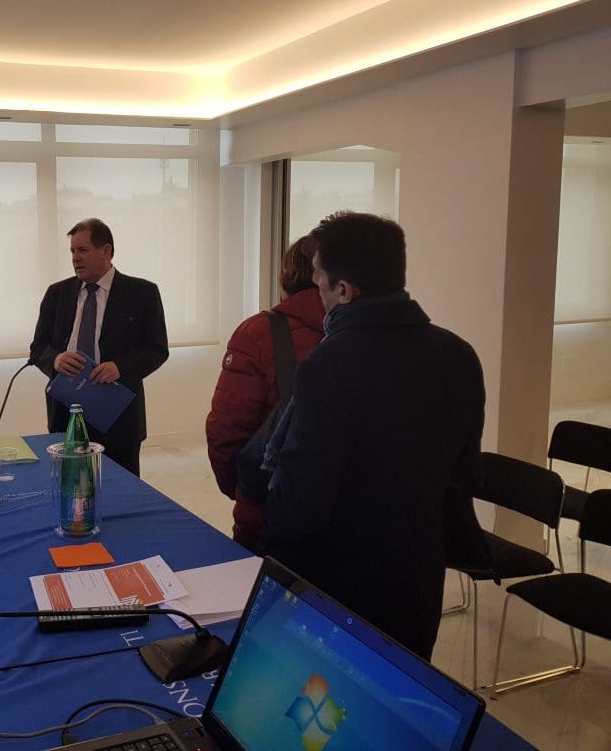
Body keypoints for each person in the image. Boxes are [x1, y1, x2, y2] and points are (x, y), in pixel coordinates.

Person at [258, 211, 488, 660]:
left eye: (319, 277)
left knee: (326, 692)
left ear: (344, 290)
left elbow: (303, 496)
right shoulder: (459, 354)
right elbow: (465, 475)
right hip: (418, 576)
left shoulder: (330, 364)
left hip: (339, 583)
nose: (315, 287)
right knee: (401, 688)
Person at [206, 235, 325, 551]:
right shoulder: (368, 335)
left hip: (273, 508)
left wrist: (242, 490)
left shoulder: (258, 332)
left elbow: (226, 430)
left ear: (286, 277)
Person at [30, 218, 168, 476]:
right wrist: (56, 360)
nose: (75, 258)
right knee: (69, 483)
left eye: (82, 250)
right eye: (72, 251)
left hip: (118, 416)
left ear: (106, 251)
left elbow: (157, 349)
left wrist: (120, 367)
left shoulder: (142, 293)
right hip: (66, 414)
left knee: (120, 488)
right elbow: (37, 349)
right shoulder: (57, 294)